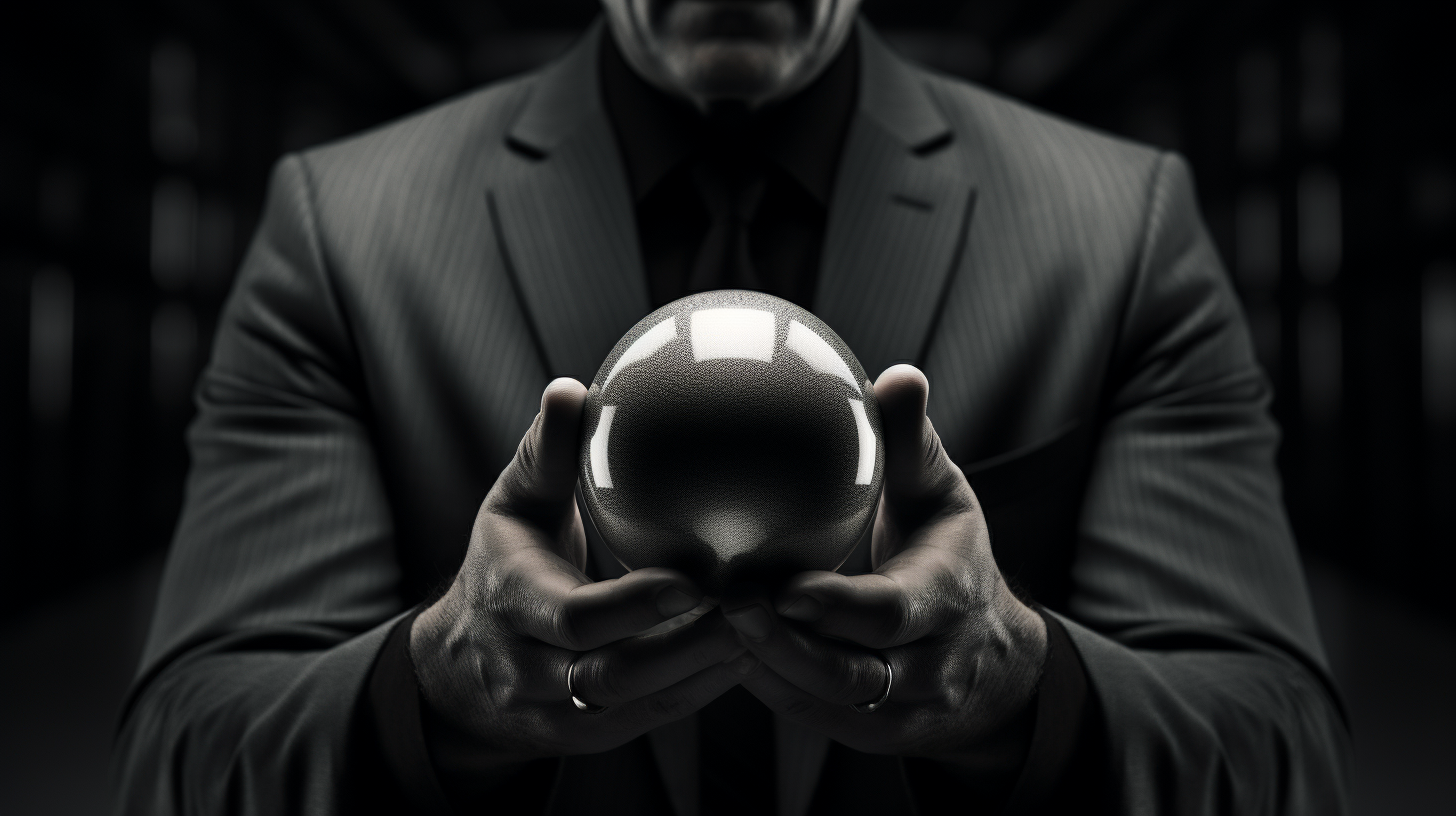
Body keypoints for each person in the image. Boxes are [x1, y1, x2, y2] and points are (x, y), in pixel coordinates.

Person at [112, 0, 1350, 813]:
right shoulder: (346, 228)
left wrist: (1027, 689)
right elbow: (185, 754)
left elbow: (1278, 752)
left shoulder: (1117, 226)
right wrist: (432, 691)